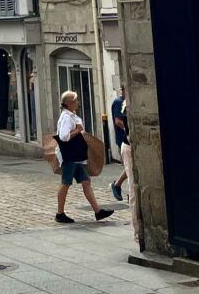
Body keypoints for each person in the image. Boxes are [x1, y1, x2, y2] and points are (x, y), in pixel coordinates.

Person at [55, 90, 114, 224]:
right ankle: (60, 213)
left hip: (76, 155)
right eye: (76, 100)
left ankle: (98, 211)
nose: (78, 103)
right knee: (66, 183)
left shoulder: (71, 116)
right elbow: (64, 136)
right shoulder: (66, 117)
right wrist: (78, 130)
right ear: (70, 103)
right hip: (69, 155)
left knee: (86, 182)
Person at [111, 85, 140, 244]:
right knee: (134, 188)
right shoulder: (123, 104)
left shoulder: (127, 103)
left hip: (129, 145)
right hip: (128, 146)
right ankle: (137, 230)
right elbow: (119, 122)